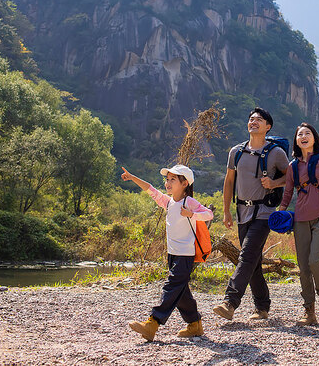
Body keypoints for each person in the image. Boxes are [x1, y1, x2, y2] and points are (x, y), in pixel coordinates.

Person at [213, 107, 289, 321]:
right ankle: (262, 306)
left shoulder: (276, 153)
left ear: (268, 127)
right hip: (241, 212)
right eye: (251, 119)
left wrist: (274, 183)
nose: (254, 122)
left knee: (246, 256)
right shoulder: (236, 152)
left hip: (264, 212)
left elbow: (291, 178)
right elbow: (229, 182)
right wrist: (226, 210)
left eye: (259, 119)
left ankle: (230, 302)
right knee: (252, 261)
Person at [123, 164, 213, 341]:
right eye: (167, 179)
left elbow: (208, 214)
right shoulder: (169, 202)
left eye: (173, 179)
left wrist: (191, 214)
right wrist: (133, 178)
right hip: (172, 254)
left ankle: (152, 323)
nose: (168, 183)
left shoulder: (189, 202)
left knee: (172, 285)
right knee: (181, 292)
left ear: (185, 183)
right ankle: (195, 324)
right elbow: (151, 189)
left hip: (185, 255)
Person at [278, 123, 319, 325]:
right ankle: (309, 312)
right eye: (300, 134)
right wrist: (281, 212)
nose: (303, 136)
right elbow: (287, 193)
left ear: (314, 138)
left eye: (307, 133)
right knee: (303, 267)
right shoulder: (293, 166)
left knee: (314, 261)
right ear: (296, 140)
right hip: (300, 219)